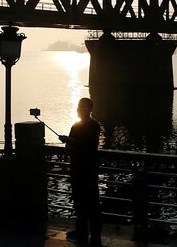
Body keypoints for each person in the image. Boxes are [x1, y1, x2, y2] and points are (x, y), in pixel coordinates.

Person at [59, 97, 103, 246]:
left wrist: (69, 141)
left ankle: (95, 233)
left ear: (89, 109)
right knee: (79, 201)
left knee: (92, 202)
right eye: (78, 106)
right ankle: (82, 231)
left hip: (88, 169)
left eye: (81, 107)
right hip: (76, 169)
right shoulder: (75, 125)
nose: (78, 109)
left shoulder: (94, 126)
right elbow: (71, 146)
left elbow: (88, 145)